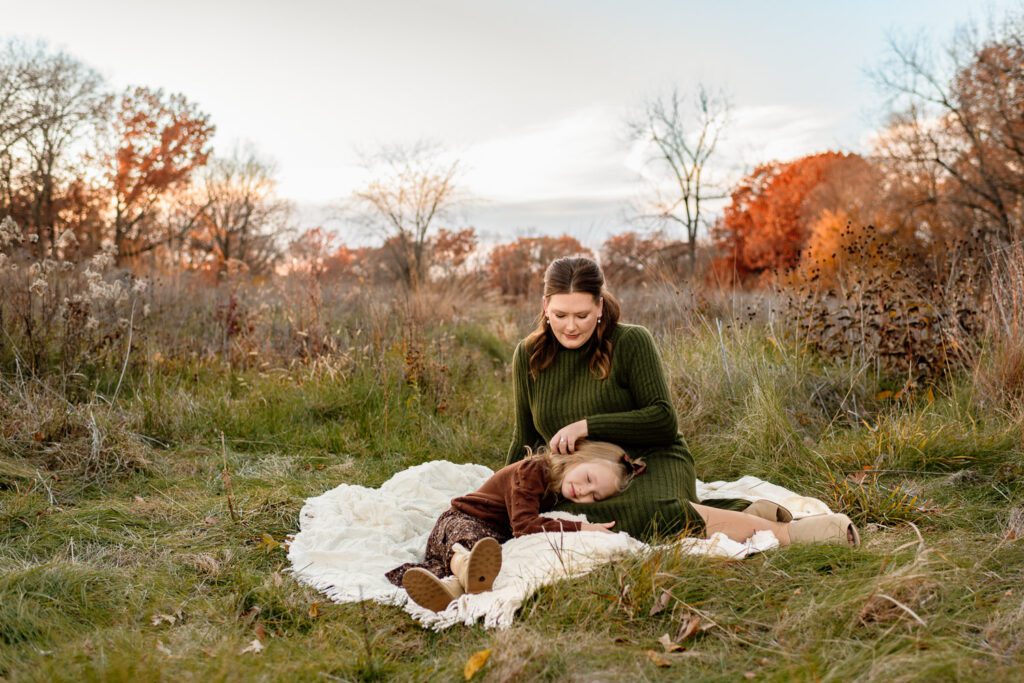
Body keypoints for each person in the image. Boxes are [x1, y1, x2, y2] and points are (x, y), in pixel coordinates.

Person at [506, 255, 860, 548]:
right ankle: (741, 511)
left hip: (653, 457)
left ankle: (790, 535)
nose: (570, 327)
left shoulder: (631, 342)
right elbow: (525, 439)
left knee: (650, 510)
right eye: (560, 315)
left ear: (600, 306)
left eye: (581, 315)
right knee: (578, 519)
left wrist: (589, 426)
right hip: (586, 480)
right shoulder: (529, 355)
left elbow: (662, 420)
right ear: (545, 307)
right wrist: (504, 496)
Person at [386, 440, 645, 612]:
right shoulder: (533, 471)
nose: (584, 491)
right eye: (588, 478)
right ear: (576, 457)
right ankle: (466, 570)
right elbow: (523, 526)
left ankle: (451, 590)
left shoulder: (562, 490)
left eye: (595, 497)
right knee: (467, 543)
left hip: (491, 537)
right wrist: (582, 529)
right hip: (462, 519)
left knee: (485, 552)